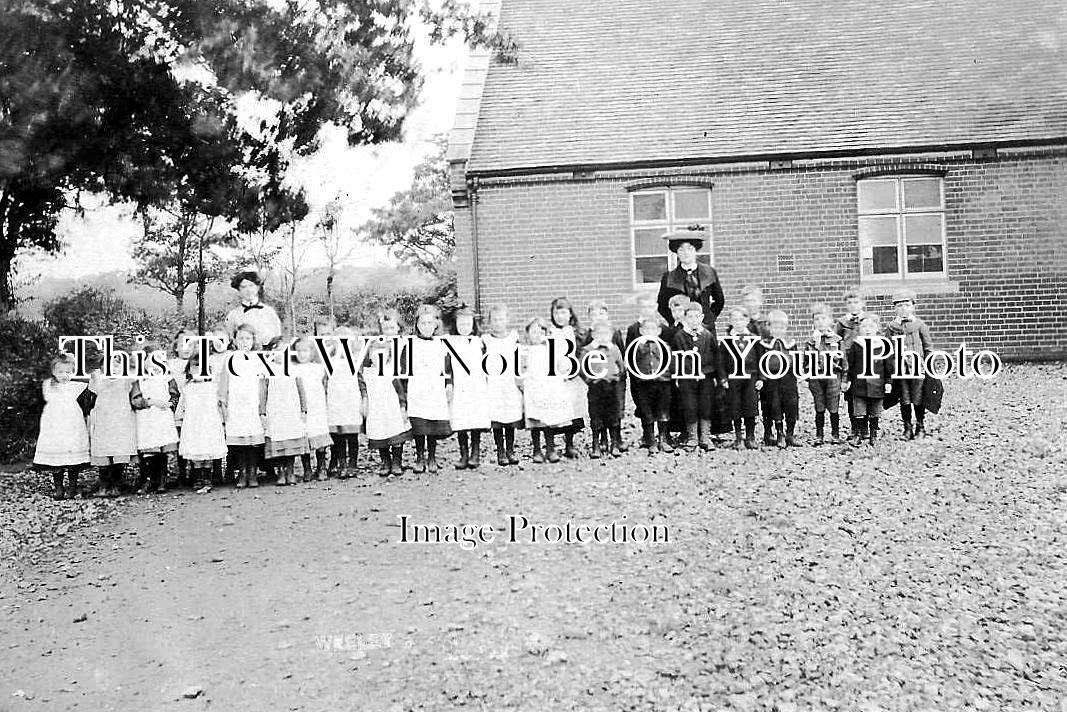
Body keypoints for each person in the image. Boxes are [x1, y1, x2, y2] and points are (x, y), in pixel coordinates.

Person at [34, 353, 95, 500]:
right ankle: (59, 488)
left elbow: (88, 400)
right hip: (54, 425)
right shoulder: (47, 385)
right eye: (60, 372)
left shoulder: (76, 386)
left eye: (68, 372)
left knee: (72, 457)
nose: (64, 375)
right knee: (56, 457)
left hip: (72, 425)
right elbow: (42, 404)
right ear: (54, 371)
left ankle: (72, 487)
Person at [403, 304, 453, 474]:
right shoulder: (410, 343)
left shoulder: (442, 344)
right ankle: (419, 456)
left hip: (435, 389)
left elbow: (448, 367)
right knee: (420, 424)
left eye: (429, 323)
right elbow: (403, 368)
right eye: (423, 323)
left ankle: (432, 457)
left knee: (432, 424)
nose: (426, 327)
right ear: (417, 325)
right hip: (417, 389)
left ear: (435, 325)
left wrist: (448, 384)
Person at [217, 323, 265, 490]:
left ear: (253, 340)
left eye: (248, 338)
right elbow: (223, 383)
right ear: (235, 341)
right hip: (236, 405)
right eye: (241, 338)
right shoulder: (230, 359)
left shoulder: (258, 359)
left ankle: (252, 472)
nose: (245, 342)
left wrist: (262, 407)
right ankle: (242, 472)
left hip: (253, 404)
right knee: (239, 442)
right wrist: (223, 403)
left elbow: (262, 383)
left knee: (253, 442)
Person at [360, 318, 411, 477]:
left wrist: (403, 407)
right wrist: (365, 401)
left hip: (392, 409)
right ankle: (385, 461)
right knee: (379, 434)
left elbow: (399, 390)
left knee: (395, 434)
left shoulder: (391, 370)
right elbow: (362, 388)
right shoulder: (367, 373)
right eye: (375, 354)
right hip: (376, 410)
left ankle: (396, 462)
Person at [129, 342, 180, 493]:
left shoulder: (167, 377)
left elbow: (175, 394)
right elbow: (135, 399)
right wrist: (148, 402)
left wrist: (169, 403)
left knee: (162, 448)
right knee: (149, 450)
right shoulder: (139, 379)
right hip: (146, 417)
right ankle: (147, 480)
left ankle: (162, 480)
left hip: (162, 416)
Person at [521, 317, 574, 463]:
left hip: (548, 389)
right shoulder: (524, 350)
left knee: (548, 420)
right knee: (535, 421)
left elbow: (561, 364)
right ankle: (537, 450)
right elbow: (520, 369)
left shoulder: (550, 348)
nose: (537, 335)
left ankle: (551, 448)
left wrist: (564, 368)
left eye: (540, 332)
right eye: (533, 332)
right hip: (532, 389)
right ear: (527, 334)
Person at [87, 348, 138, 497]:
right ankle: (104, 484)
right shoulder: (97, 378)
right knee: (103, 451)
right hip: (103, 420)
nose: (113, 368)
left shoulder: (127, 379)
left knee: (119, 451)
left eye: (117, 364)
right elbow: (89, 399)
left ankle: (116, 483)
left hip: (121, 420)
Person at [671, 302, 722, 451]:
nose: (693, 320)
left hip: (705, 376)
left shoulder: (708, 335)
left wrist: (717, 376)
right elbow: (675, 358)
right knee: (689, 405)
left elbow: (716, 356)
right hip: (687, 377)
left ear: (702, 317)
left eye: (696, 317)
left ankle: (705, 436)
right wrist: (678, 376)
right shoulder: (679, 336)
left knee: (706, 404)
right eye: (690, 317)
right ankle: (692, 436)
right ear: (685, 318)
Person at [884, 288, 933, 439]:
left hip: (918, 368)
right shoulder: (891, 327)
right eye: (899, 306)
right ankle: (907, 427)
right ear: (894, 309)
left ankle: (920, 425)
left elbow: (928, 347)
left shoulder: (920, 325)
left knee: (918, 397)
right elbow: (887, 349)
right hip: (900, 370)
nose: (903, 309)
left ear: (913, 306)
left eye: (906, 305)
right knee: (904, 398)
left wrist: (928, 367)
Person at [175, 351, 226, 490]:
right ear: (189, 369)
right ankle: (197, 478)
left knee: (208, 449)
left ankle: (207, 479)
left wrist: (223, 419)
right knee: (196, 450)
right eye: (195, 366)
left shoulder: (212, 386)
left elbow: (218, 403)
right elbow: (182, 403)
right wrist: (178, 417)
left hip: (209, 422)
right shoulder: (187, 386)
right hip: (193, 423)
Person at [447, 306, 491, 470]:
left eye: (468, 324)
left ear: (473, 325)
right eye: (461, 324)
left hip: (476, 386)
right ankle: (464, 454)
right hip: (460, 386)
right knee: (461, 420)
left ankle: (475, 453)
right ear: (456, 324)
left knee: (474, 419)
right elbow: (447, 367)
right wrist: (449, 383)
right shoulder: (450, 342)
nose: (464, 327)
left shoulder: (480, 342)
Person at [260, 338, 307, 487]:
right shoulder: (267, 369)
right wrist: (262, 412)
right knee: (278, 440)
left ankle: (290, 471)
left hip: (291, 411)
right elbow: (263, 392)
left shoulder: (294, 369)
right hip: (275, 411)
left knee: (291, 440)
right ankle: (280, 471)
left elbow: (301, 391)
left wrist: (303, 409)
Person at [656, 230, 724, 330]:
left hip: (705, 329)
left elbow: (719, 301)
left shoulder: (710, 273)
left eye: (690, 249)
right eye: (681, 250)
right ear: (677, 253)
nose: (686, 253)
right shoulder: (669, 277)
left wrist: (708, 320)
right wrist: (677, 321)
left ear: (695, 251)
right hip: (680, 331)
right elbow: (662, 306)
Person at [482, 304, 524, 467]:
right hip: (494, 382)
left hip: (510, 381)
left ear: (507, 320)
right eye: (495, 320)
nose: (498, 323)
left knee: (510, 416)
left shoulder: (514, 337)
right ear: (490, 322)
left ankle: (510, 450)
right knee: (497, 417)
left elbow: (520, 358)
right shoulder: (486, 339)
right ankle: (500, 450)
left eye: (501, 319)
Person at [753, 310, 801, 448]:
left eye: (781, 327)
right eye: (775, 327)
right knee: (774, 405)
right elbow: (760, 363)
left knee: (791, 404)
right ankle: (779, 433)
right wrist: (761, 378)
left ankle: (790, 434)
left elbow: (796, 360)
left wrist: (798, 373)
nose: (778, 330)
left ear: (786, 328)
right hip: (771, 380)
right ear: (769, 328)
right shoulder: (764, 345)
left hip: (788, 379)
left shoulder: (791, 343)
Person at [844, 315, 894, 446]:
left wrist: (889, 382)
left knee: (875, 411)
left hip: (877, 385)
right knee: (859, 410)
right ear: (859, 329)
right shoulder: (856, 345)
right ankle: (859, 433)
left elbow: (888, 366)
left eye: (871, 326)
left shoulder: (883, 345)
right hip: (859, 385)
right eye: (864, 326)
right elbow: (851, 365)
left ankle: (873, 434)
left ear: (877, 328)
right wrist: (848, 380)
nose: (867, 330)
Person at [580, 319, 626, 458]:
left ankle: (614, 445)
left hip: (611, 388)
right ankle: (596, 445)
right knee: (596, 416)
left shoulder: (614, 348)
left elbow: (621, 366)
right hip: (596, 388)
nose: (603, 336)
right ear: (593, 335)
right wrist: (590, 380)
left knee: (613, 415)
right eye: (599, 333)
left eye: (606, 333)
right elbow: (581, 368)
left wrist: (616, 377)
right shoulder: (588, 350)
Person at [547, 297, 586, 459]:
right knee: (552, 410)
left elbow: (581, 353)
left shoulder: (576, 333)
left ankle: (569, 444)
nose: (560, 316)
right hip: (554, 378)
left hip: (572, 377)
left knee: (572, 411)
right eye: (556, 313)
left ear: (570, 314)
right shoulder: (548, 332)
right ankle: (550, 447)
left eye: (563, 312)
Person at [628, 316, 673, 453]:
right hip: (644, 384)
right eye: (647, 329)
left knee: (663, 410)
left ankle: (663, 439)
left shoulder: (665, 346)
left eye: (653, 329)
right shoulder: (636, 346)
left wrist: (668, 376)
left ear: (659, 331)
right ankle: (651, 440)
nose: (650, 332)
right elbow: (631, 363)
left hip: (662, 383)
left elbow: (671, 363)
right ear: (641, 331)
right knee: (646, 411)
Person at [804, 303, 845, 445]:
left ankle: (835, 434)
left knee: (833, 406)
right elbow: (805, 361)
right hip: (816, 377)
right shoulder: (810, 341)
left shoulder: (837, 340)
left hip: (833, 377)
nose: (820, 322)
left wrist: (844, 378)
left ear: (830, 321)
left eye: (823, 318)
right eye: (817, 319)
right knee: (819, 406)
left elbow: (843, 361)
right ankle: (819, 435)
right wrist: (809, 377)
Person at [325, 326, 363, 478]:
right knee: (339, 435)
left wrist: (363, 399)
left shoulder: (355, 360)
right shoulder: (330, 360)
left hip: (351, 401)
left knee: (352, 435)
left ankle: (353, 464)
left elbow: (361, 381)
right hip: (335, 401)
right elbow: (325, 381)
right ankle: (341, 464)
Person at [291, 336, 331, 482]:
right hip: (301, 407)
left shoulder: (318, 368)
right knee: (305, 435)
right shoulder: (293, 369)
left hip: (317, 406)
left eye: (305, 350)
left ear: (312, 352)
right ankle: (307, 469)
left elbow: (325, 385)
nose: (302, 354)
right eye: (298, 351)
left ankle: (321, 467)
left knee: (319, 436)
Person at [720, 306, 760, 450]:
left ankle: (750, 436)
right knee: (735, 406)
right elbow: (720, 361)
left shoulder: (754, 339)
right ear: (730, 321)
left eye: (741, 319)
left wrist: (760, 378)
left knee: (750, 406)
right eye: (734, 319)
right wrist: (723, 378)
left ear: (747, 320)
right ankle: (738, 437)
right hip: (733, 377)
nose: (738, 322)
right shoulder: (727, 340)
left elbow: (761, 359)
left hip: (751, 376)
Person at [224, 270, 282, 348]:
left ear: (257, 287)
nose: (248, 290)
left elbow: (277, 336)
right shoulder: (233, 315)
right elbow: (230, 338)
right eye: (243, 287)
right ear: (238, 290)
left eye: (251, 285)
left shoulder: (269, 312)